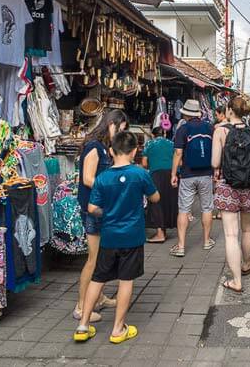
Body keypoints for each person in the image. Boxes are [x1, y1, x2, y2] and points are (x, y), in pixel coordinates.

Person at [74, 131, 160, 344]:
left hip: (109, 236)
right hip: (132, 236)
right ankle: (118, 329)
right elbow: (155, 197)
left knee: (98, 278)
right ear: (134, 151)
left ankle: (83, 326)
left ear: (111, 151)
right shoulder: (139, 174)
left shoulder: (103, 178)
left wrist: (108, 213)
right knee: (126, 281)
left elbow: (92, 208)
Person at [74, 109, 127, 322]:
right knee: (94, 259)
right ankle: (81, 306)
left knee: (104, 257)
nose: (120, 135)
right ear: (111, 125)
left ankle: (99, 297)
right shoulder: (94, 147)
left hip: (103, 209)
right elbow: (88, 179)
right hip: (93, 209)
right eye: (120, 129)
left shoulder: (105, 148)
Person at [211, 97, 250, 293]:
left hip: (228, 187)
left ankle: (236, 281)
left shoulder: (220, 131)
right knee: (248, 230)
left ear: (229, 111)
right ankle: (247, 263)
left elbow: (215, 162)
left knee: (231, 235)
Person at [170, 99, 216, 257]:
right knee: (207, 208)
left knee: (183, 209)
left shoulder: (182, 129)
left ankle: (181, 246)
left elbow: (178, 153)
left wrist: (173, 174)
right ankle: (207, 241)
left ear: (186, 114)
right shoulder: (209, 128)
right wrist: (217, 170)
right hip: (206, 174)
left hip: (187, 174)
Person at [142, 127, 176, 244]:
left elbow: (144, 163)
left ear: (153, 135)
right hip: (171, 174)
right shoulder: (172, 143)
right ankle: (164, 230)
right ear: (164, 134)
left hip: (156, 174)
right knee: (167, 201)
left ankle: (160, 233)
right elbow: (179, 160)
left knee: (156, 202)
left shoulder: (149, 144)